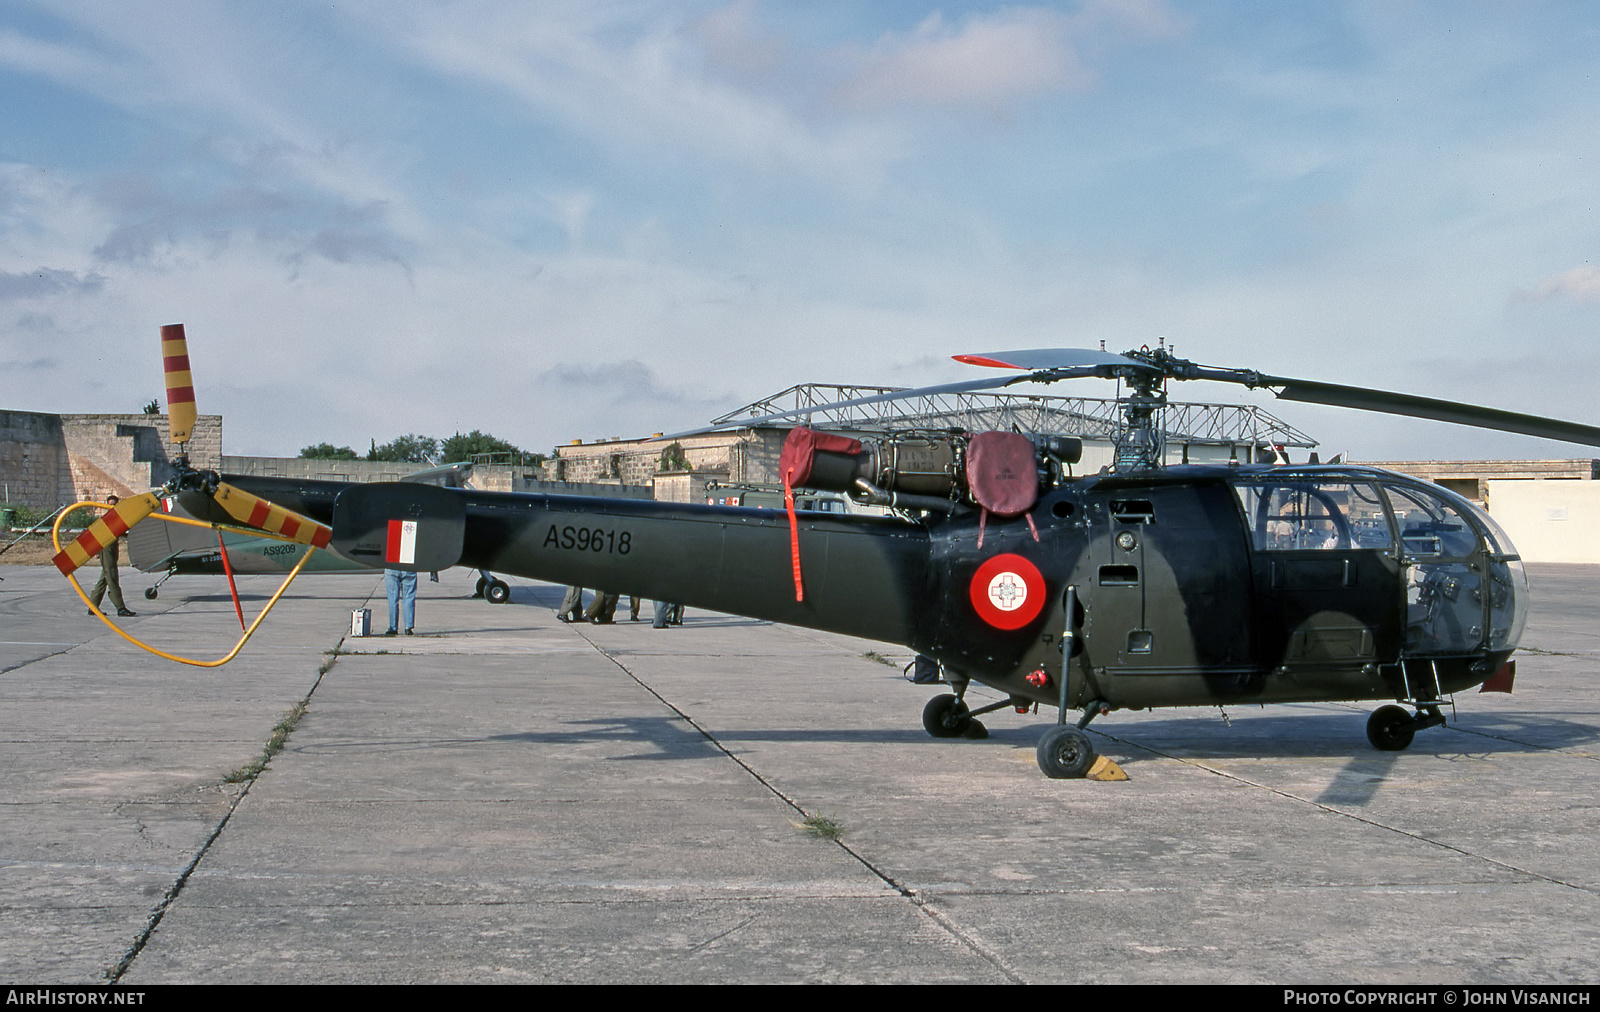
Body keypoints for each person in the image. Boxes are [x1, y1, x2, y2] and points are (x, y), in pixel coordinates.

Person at [88, 495, 136, 618]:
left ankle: (92, 607)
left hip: (112, 549)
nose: (112, 507)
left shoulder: (117, 518)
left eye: (115, 504)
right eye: (110, 504)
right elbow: (97, 537)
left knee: (103, 579)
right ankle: (120, 608)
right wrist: (97, 552)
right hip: (107, 550)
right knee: (112, 578)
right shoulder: (104, 520)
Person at [384, 568, 417, 635]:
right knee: (409, 597)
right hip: (409, 565)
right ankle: (408, 627)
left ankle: (393, 627)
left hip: (392, 564)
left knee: (392, 598)